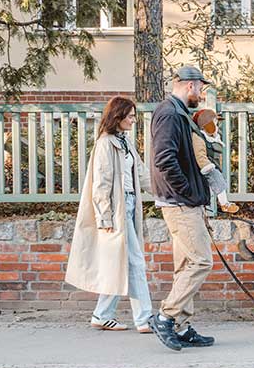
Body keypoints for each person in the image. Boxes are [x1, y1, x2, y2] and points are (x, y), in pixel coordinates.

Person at [65, 96, 153, 334]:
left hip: (131, 204)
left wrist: (166, 192)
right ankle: (145, 318)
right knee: (135, 261)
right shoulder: (105, 144)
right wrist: (105, 217)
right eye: (131, 116)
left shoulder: (124, 142)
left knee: (120, 263)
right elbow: (101, 184)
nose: (134, 120)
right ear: (119, 116)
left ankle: (101, 315)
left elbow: (142, 174)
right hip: (116, 209)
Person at [147, 66, 217, 351]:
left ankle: (181, 326)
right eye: (201, 88)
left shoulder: (177, 113)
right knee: (202, 261)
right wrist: (188, 193)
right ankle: (165, 317)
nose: (202, 94)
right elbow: (164, 159)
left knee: (186, 265)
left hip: (182, 201)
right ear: (190, 86)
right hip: (179, 202)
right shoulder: (171, 114)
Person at [192, 108, 239, 214]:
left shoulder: (209, 138)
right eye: (215, 125)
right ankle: (224, 204)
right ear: (208, 125)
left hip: (211, 166)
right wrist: (207, 166)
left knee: (219, 182)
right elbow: (199, 155)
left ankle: (221, 202)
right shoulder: (198, 138)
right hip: (205, 168)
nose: (217, 128)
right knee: (217, 180)